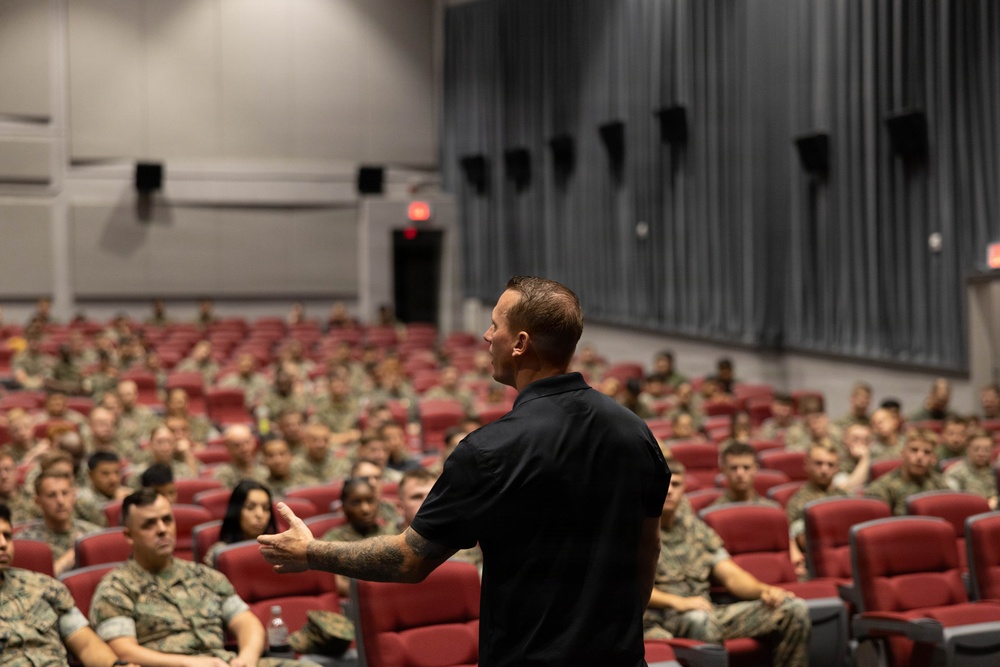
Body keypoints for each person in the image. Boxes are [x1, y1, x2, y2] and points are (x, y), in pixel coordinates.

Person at [260, 275, 670, 667]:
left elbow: (408, 560)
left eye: (495, 325)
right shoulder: (636, 433)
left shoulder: (489, 451)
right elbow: (647, 548)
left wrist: (311, 552)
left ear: (520, 343)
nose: (487, 336)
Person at [89, 489, 310, 666]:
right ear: (128, 535)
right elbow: (122, 650)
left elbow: (246, 623)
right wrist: (187, 663)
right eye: (149, 524)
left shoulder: (204, 575)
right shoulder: (116, 587)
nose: (162, 529)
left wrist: (247, 659)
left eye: (167, 520)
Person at [644, 463, 810, 667]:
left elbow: (731, 576)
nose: (669, 490)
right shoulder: (635, 530)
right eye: (663, 484)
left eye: (676, 484)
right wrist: (678, 602)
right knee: (700, 620)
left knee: (793, 609)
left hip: (706, 612)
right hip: (662, 619)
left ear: (684, 489)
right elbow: (630, 587)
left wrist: (765, 591)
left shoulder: (695, 528)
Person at [0, 503, 139, 667]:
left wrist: (115, 665)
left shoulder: (42, 586)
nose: (3, 544)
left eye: (7, 536)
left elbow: (86, 645)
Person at [18, 470, 101, 575]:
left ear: (73, 496)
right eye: (51, 495)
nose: (60, 501)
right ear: (38, 501)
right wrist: (73, 554)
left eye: (65, 493)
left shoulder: (94, 534)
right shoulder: (26, 544)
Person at [784, 442, 846, 573]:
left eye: (830, 465)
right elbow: (801, 540)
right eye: (818, 463)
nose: (824, 470)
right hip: (817, 563)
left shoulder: (847, 498)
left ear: (837, 468)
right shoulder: (798, 503)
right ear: (807, 465)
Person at [865, 428, 949, 515]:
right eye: (914, 450)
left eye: (927, 452)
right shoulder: (883, 487)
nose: (919, 457)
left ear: (933, 458)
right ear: (903, 453)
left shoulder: (940, 485)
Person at [203, 479, 278, 566]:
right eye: (250, 507)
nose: (260, 514)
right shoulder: (219, 554)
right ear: (236, 511)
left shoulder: (278, 551)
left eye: (266, 508)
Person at [708, 441, 780, 508]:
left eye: (746, 468)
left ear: (755, 469)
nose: (740, 473)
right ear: (724, 470)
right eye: (734, 468)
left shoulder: (771, 509)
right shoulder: (714, 512)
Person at [944, 431, 998, 508]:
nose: (981, 454)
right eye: (976, 449)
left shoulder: (996, 471)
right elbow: (954, 502)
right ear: (967, 449)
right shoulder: (955, 473)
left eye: (987, 450)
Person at [213, 424, 269, 489]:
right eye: (237, 445)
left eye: (247, 442)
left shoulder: (266, 471)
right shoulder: (223, 475)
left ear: (254, 443)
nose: (245, 449)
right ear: (229, 448)